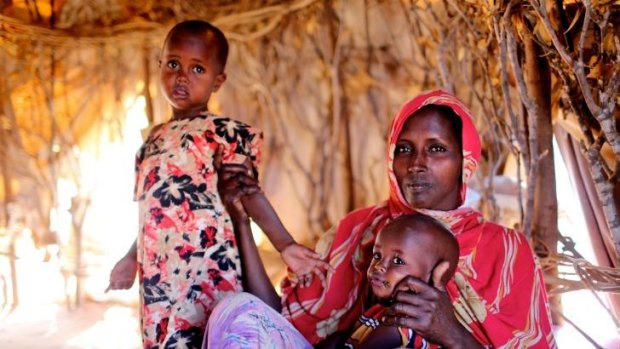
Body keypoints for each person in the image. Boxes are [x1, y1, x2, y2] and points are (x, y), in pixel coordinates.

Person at [207, 89, 556, 349]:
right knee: (237, 311)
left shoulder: (504, 250)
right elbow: (281, 324)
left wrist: (450, 331)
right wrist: (242, 222)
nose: (417, 163)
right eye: (404, 148)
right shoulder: (361, 230)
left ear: (465, 159)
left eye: (436, 149)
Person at [105, 20, 327, 348]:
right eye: (173, 64)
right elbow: (152, 215)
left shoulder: (224, 134)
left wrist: (285, 245)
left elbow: (248, 194)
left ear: (217, 81)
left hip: (209, 274)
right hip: (160, 280)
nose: (182, 76)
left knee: (212, 338)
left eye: (197, 69)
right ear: (160, 66)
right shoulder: (150, 142)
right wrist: (129, 257)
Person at [343, 213, 459, 349]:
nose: (379, 266)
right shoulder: (382, 310)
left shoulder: (402, 324)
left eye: (398, 261)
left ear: (432, 276)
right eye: (377, 255)